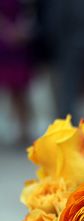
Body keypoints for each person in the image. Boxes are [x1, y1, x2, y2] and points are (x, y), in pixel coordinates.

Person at [0, 0, 34, 143]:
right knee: (7, 88)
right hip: (4, 44)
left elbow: (30, 13)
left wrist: (22, 31)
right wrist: (7, 30)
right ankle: (9, 125)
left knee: (21, 90)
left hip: (20, 45)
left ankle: (24, 128)